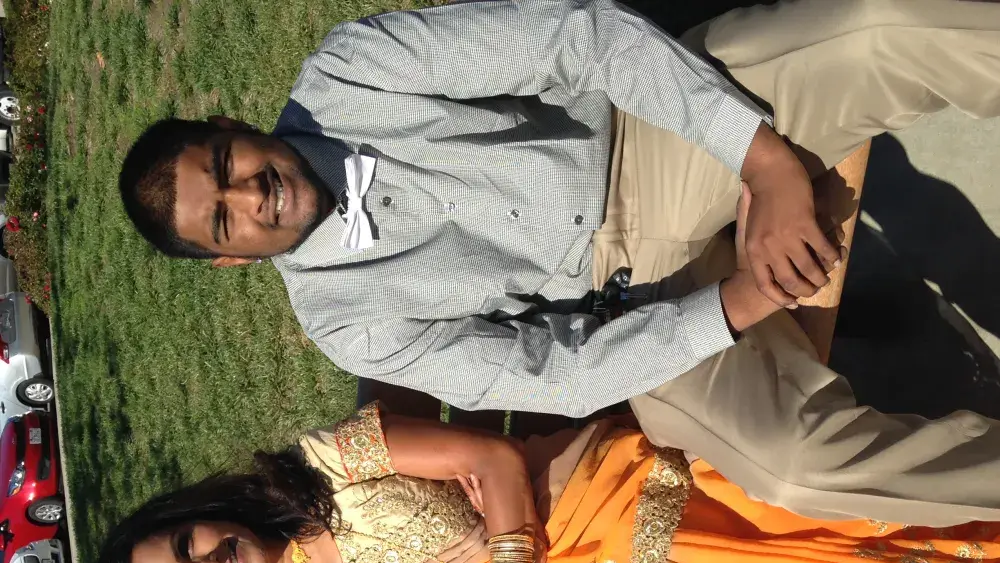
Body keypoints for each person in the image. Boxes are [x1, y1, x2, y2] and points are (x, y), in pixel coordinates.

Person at [99, 192, 1000, 563]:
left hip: (590, 512)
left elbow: (491, 463)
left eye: (185, 546)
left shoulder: (327, 464)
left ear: (196, 515)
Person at [117, 0, 1000, 525]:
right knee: (790, 469)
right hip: (634, 307)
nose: (252, 195)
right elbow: (552, 372)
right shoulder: (345, 323)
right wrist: (736, 301)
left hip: (649, 142)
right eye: (225, 221)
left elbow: (584, 40)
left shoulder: (347, 73)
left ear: (230, 128)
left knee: (881, 30)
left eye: (226, 166)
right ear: (229, 262)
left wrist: (762, 162)